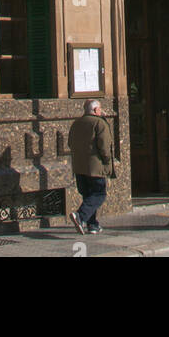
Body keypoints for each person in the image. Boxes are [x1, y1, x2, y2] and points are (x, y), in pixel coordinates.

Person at [67, 99, 113, 235]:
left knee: (88, 196)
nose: (101, 111)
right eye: (100, 108)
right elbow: (104, 147)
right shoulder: (99, 123)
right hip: (95, 167)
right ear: (95, 110)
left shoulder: (76, 123)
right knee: (99, 194)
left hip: (79, 167)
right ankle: (80, 216)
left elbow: (70, 143)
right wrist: (107, 161)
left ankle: (92, 225)